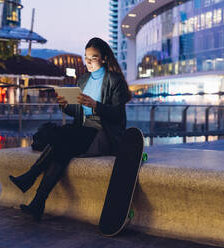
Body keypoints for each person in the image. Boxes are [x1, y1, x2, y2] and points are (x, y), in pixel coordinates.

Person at [9, 37, 132, 221]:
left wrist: (96, 105)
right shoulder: (83, 80)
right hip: (81, 130)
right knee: (61, 147)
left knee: (55, 136)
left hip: (101, 133)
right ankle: (38, 202)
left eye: (93, 57)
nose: (88, 62)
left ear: (104, 58)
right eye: (86, 57)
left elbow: (118, 117)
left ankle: (31, 179)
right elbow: (77, 112)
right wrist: (65, 105)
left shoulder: (114, 81)